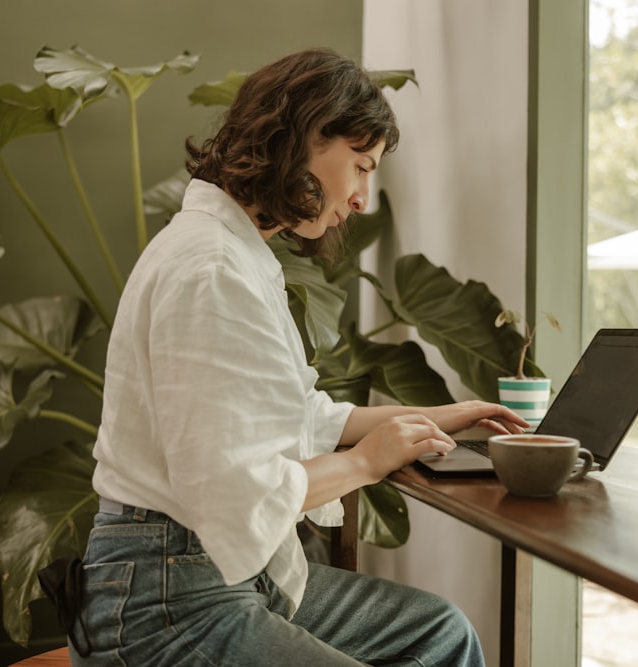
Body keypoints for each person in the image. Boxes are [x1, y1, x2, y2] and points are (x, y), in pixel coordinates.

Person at [69, 48, 528, 666]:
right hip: (165, 600)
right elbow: (235, 493)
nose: (363, 197)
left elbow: (289, 414)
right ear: (306, 136)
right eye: (361, 166)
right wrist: (367, 462)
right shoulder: (212, 269)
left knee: (438, 632)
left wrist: (440, 415)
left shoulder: (232, 254)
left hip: (206, 571)